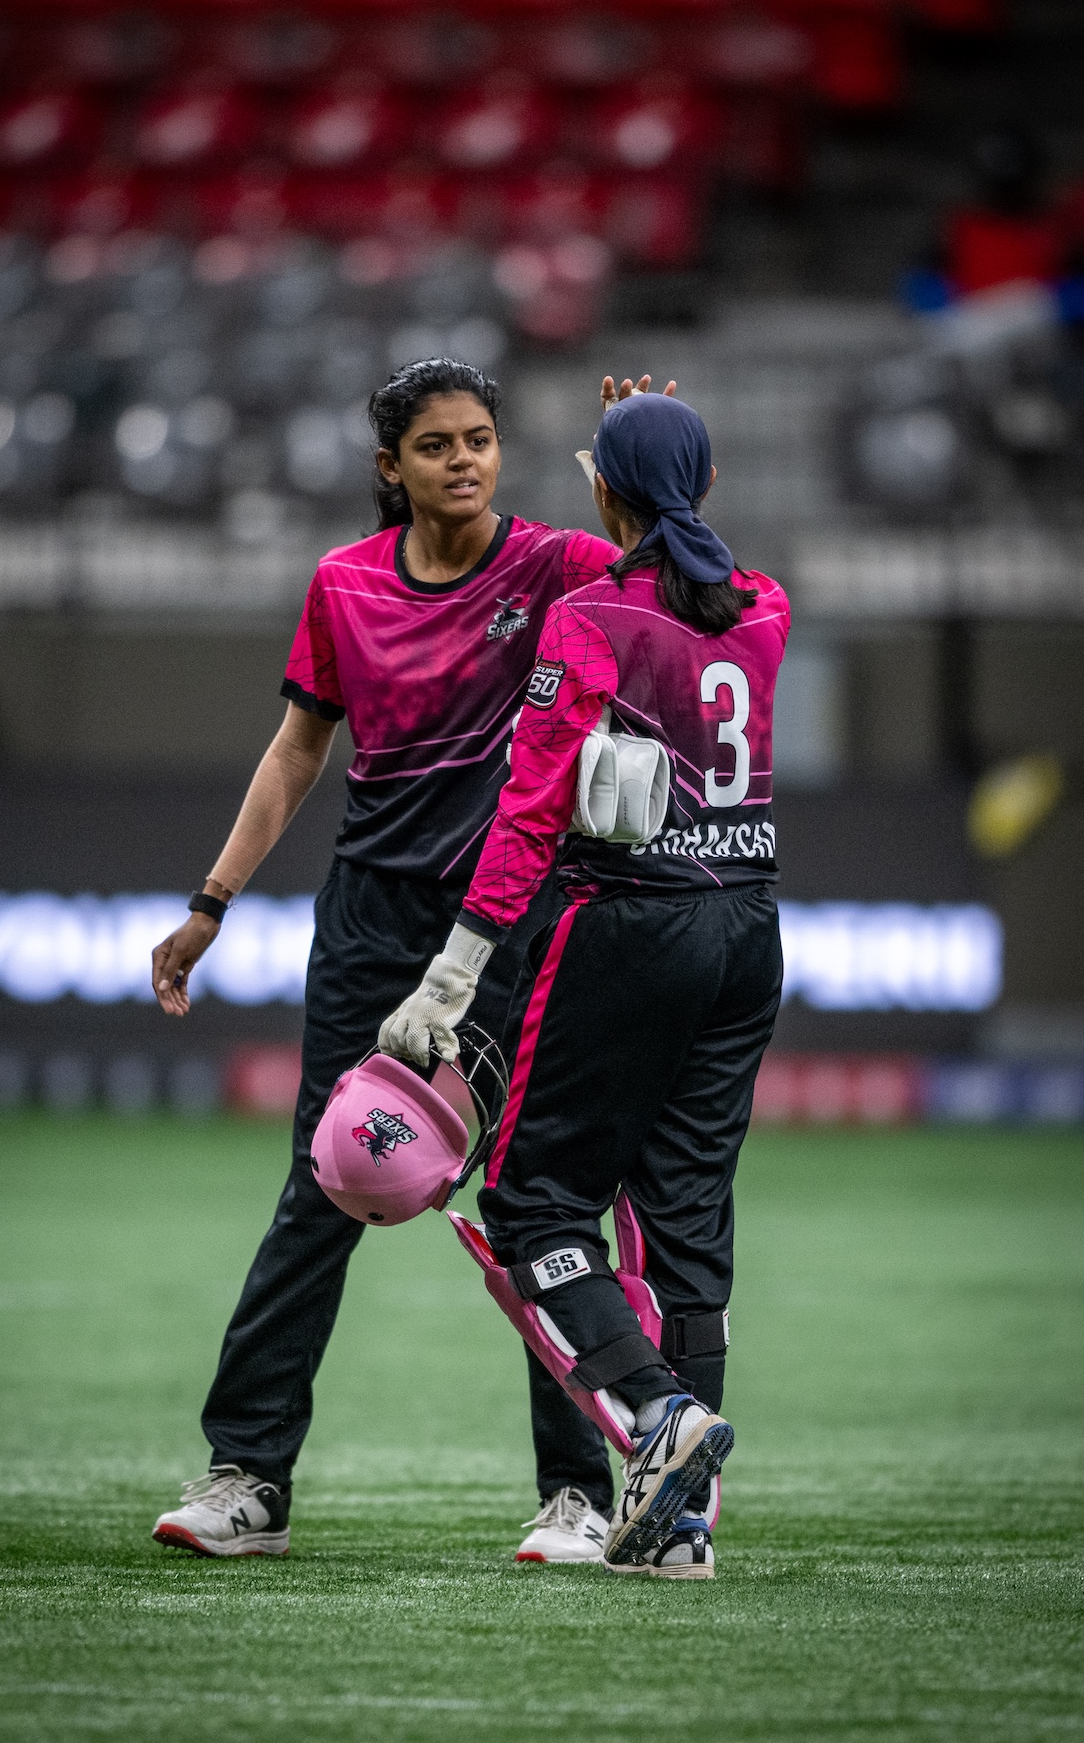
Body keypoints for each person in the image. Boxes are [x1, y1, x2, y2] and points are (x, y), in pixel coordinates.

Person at [147, 357, 666, 1564]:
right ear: (392, 466)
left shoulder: (555, 566)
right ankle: (249, 1479)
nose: (464, 460)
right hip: (370, 924)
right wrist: (212, 902)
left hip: (512, 922)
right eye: (437, 445)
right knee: (320, 1190)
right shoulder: (342, 584)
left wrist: (632, 468)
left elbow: (670, 587)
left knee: (542, 1201)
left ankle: (578, 1494)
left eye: (479, 438)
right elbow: (297, 749)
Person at [380, 391, 789, 1577]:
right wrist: (641, 472)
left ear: (604, 491)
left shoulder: (587, 615)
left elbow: (531, 809)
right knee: (684, 1224)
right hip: (748, 931)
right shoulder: (766, 606)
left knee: (533, 1207)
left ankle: (660, 1418)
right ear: (706, 487)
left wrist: (454, 971)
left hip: (626, 928)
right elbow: (677, 564)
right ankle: (681, 1529)